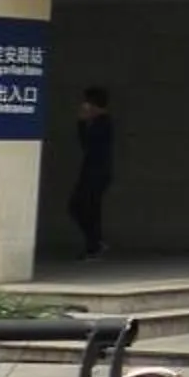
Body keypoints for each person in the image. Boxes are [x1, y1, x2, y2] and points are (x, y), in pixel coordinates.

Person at [68, 87, 116, 260]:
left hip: (96, 173)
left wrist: (81, 123)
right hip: (94, 171)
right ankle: (95, 243)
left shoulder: (102, 123)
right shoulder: (101, 122)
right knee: (89, 209)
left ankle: (95, 244)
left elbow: (88, 146)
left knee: (80, 207)